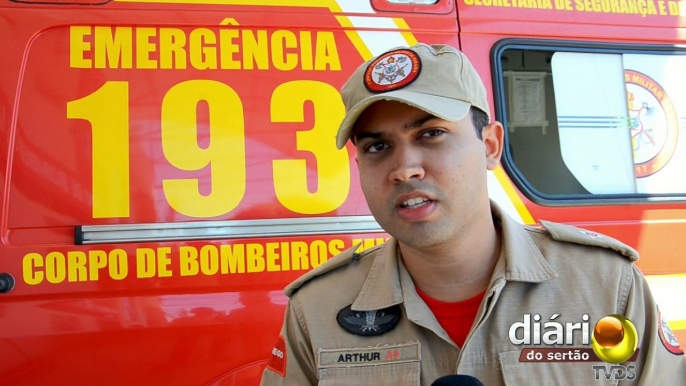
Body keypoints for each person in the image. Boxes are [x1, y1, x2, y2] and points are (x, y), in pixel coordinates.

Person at [260, 43, 686, 385]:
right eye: (377, 147)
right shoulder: (317, 311)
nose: (404, 168)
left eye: (432, 134)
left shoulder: (605, 287)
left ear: (490, 146)